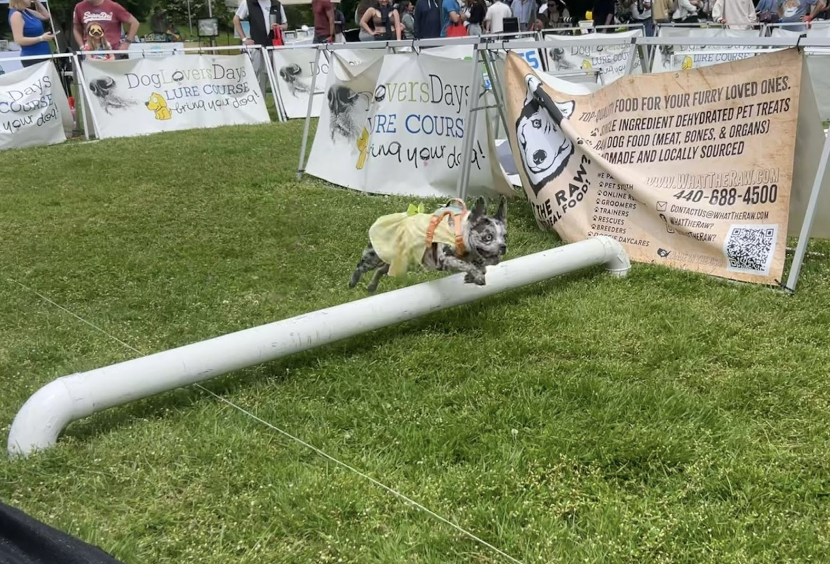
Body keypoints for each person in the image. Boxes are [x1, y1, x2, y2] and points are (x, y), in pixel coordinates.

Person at [233, 0, 287, 97]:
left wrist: (280, 27)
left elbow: (285, 24)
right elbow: (236, 19)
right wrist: (244, 39)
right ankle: (259, 104)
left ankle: (282, 106)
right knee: (257, 78)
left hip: (274, 47)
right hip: (257, 47)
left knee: (278, 78)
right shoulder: (248, 3)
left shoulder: (277, 4)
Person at [73, 0, 139, 60]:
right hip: (90, 52)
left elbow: (134, 23)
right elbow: (76, 29)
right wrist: (82, 47)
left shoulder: (113, 6)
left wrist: (126, 43)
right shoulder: (79, 7)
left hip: (112, 51)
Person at [8, 0, 54, 67]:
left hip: (44, 55)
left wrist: (37, 1)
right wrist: (41, 38)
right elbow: (19, 40)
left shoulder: (26, 11)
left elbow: (46, 16)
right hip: (33, 58)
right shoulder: (16, 15)